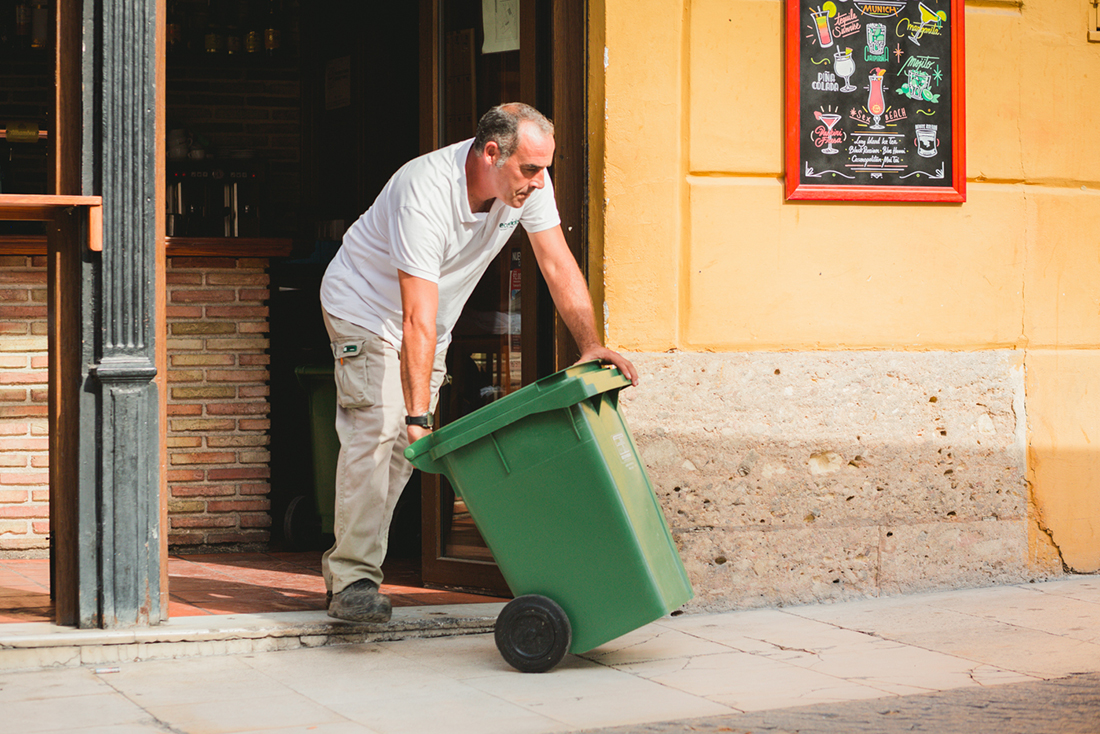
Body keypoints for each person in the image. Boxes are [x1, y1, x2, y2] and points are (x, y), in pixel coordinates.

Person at [318, 102, 637, 623]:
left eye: (544, 169)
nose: (539, 181)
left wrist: (591, 345)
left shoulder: (526, 185)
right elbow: (413, 315)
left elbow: (556, 261)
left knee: (401, 448)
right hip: (366, 309)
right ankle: (352, 579)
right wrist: (420, 418)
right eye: (530, 169)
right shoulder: (423, 191)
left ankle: (351, 569)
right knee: (379, 427)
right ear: (492, 153)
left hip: (429, 324)